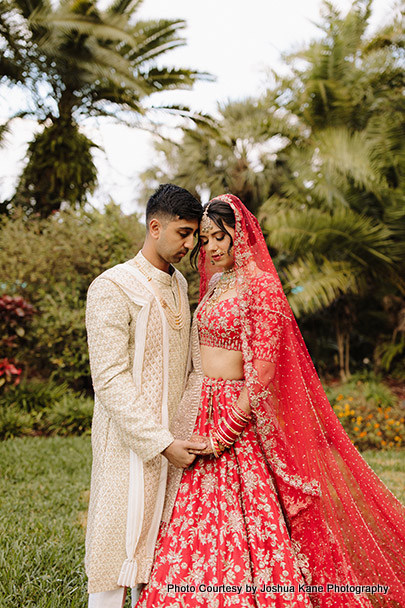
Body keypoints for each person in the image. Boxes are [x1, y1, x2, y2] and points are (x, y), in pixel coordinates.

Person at [136, 194, 405, 608]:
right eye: (204, 239)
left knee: (248, 518)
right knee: (194, 516)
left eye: (219, 236)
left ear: (239, 233)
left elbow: (260, 374)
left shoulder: (260, 286)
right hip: (201, 410)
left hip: (236, 421)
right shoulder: (218, 283)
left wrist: (222, 434)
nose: (211, 247)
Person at [85, 184, 207, 608]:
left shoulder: (179, 286)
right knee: (115, 541)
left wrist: (178, 436)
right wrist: (160, 443)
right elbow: (110, 379)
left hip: (175, 436)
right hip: (128, 441)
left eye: (195, 235)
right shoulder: (112, 286)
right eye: (183, 233)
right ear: (155, 227)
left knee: (162, 548)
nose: (191, 245)